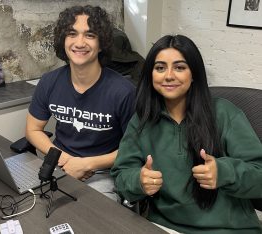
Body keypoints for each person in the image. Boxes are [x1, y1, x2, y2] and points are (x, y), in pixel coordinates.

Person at [111, 34, 262, 233]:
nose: (169, 75)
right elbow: (122, 175)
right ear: (151, 75)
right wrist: (138, 181)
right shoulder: (142, 119)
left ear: (194, 75)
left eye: (180, 67)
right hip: (164, 227)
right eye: (160, 67)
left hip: (228, 229)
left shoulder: (225, 113)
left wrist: (225, 172)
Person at [26, 5, 135, 201]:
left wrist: (87, 164)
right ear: (63, 40)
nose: (79, 42)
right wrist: (64, 160)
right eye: (72, 34)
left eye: (90, 35)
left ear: (101, 44)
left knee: (89, 220)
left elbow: (135, 149)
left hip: (101, 173)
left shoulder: (123, 92)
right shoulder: (49, 82)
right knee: (28, 206)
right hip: (58, 163)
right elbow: (33, 130)